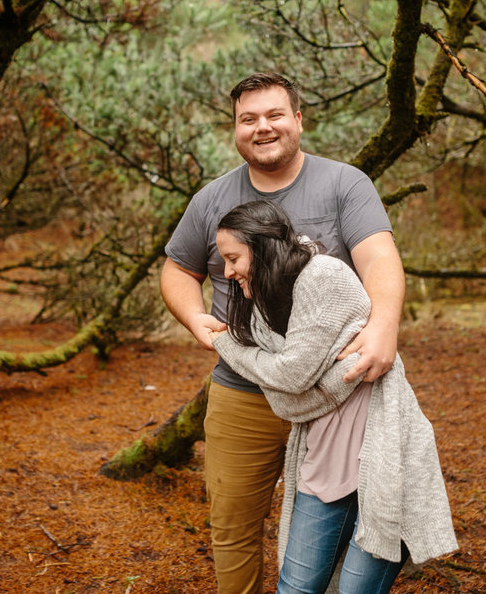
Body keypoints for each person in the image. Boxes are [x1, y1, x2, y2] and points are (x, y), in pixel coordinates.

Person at [161, 72, 406, 592]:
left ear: (298, 119)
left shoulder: (345, 184)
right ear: (235, 130)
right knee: (232, 526)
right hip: (243, 393)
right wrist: (195, 319)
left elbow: (379, 257)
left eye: (274, 115)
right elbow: (178, 268)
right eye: (248, 119)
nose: (262, 127)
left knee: (338, 525)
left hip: (333, 397)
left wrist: (385, 325)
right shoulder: (213, 198)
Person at [209, 200, 457, 593]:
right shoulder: (261, 310)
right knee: (295, 587)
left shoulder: (323, 275)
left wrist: (225, 344)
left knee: (354, 590)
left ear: (261, 247)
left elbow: (289, 376)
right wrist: (320, 379)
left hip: (380, 449)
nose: (227, 271)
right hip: (323, 454)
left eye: (233, 257)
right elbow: (285, 399)